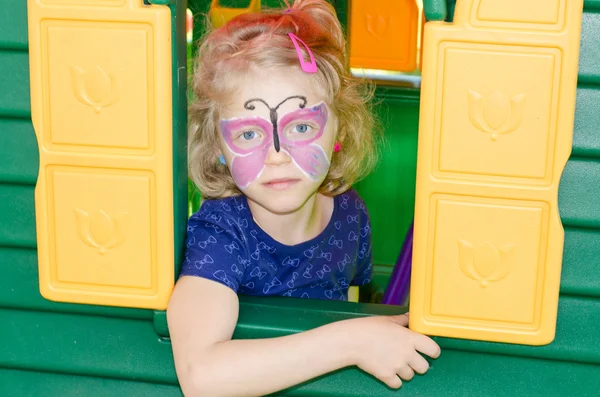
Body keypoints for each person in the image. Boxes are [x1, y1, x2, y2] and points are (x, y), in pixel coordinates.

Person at [167, 1, 441, 396]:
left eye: (300, 126)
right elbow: (201, 377)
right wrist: (352, 342)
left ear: (339, 131)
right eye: (248, 134)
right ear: (217, 148)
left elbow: (353, 302)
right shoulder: (222, 232)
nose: (277, 155)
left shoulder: (350, 213)